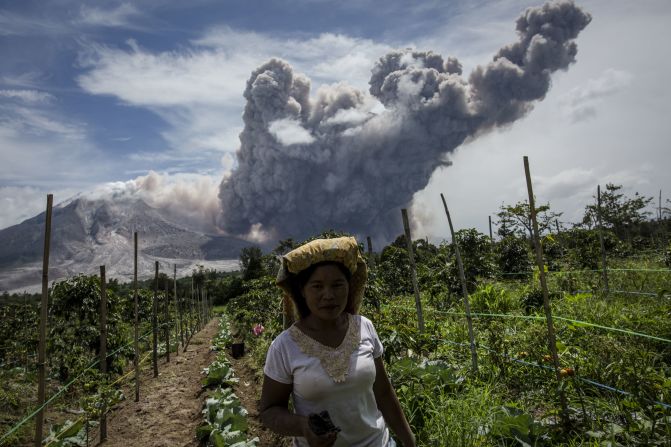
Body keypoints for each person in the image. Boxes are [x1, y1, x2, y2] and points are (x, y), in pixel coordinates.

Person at [260, 236, 416, 447]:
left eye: (337, 285)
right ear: (303, 292)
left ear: (349, 287)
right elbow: (269, 411)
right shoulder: (284, 347)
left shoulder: (365, 327)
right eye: (317, 286)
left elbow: (384, 393)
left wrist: (409, 440)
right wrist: (303, 426)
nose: (328, 295)